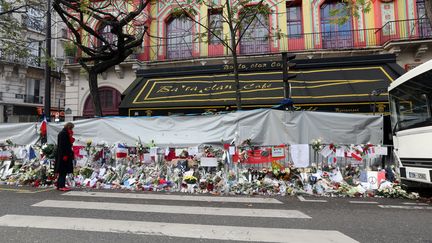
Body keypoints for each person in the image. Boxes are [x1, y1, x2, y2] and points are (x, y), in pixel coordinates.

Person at [55, 122, 75, 191]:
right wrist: (65, 155)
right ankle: (61, 186)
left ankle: (59, 185)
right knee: (63, 171)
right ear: (69, 127)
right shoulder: (64, 134)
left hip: (63, 154)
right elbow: (63, 145)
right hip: (63, 155)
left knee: (62, 171)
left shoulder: (63, 133)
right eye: (71, 128)